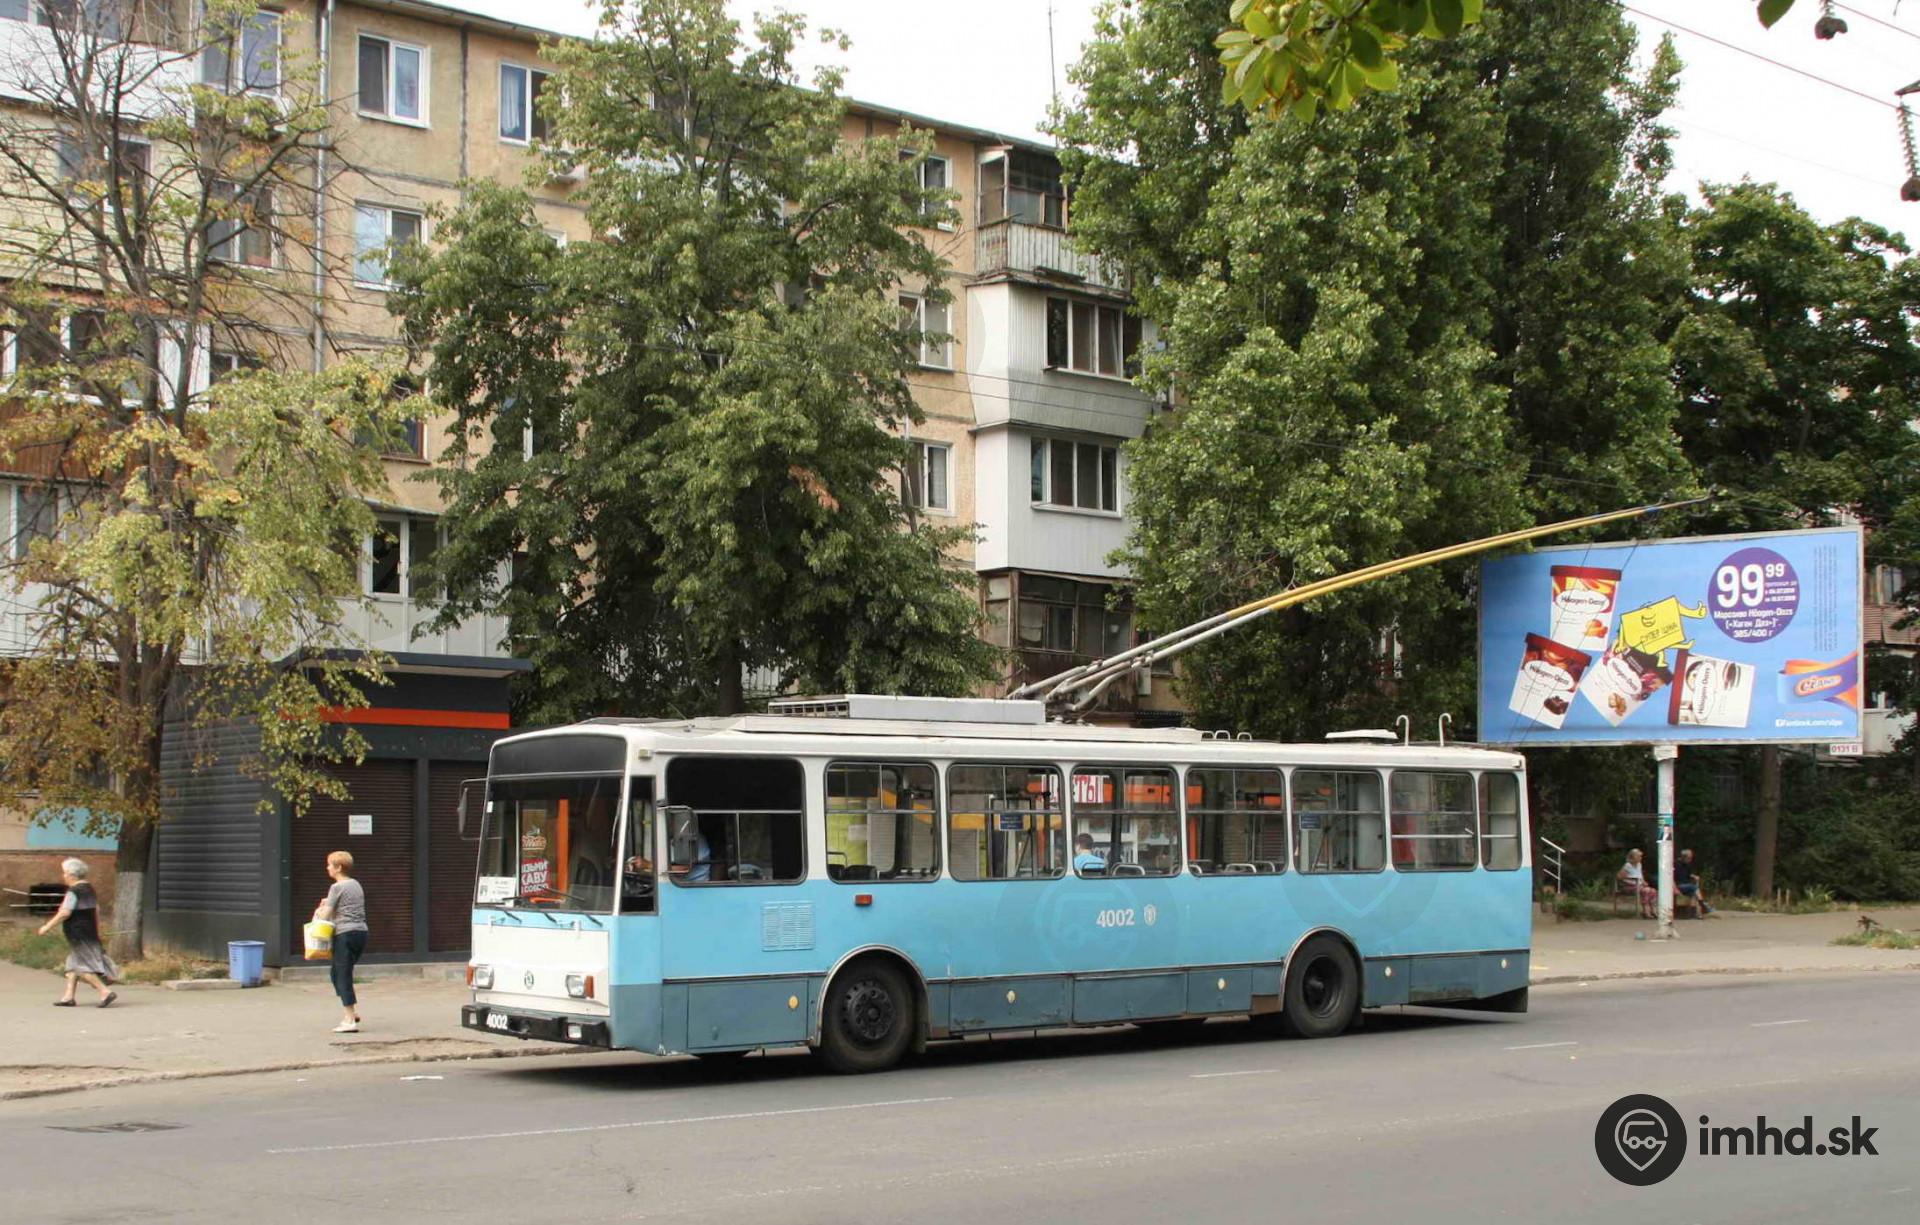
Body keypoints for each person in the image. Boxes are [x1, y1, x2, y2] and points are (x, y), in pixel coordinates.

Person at [37, 858, 116, 1008]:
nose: (64, 876)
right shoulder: (89, 889)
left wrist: (47, 927)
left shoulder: (73, 892)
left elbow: (65, 913)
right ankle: (68, 997)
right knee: (72, 965)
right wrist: (97, 929)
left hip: (78, 934)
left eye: (65, 873)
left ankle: (105, 992)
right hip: (88, 932)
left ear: (72, 875)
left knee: (82, 966)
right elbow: (96, 910)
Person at [313, 851, 369, 1033]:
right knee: (336, 973)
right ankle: (352, 1011)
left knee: (342, 975)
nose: (327, 868)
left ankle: (349, 1019)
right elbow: (348, 904)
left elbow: (325, 916)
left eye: (330, 865)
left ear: (339, 868)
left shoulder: (336, 887)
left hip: (344, 934)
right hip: (360, 933)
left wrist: (320, 909)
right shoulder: (355, 884)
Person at [1617, 848, 1657, 919]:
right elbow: (1619, 876)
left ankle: (1653, 911)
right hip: (1629, 886)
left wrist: (1643, 881)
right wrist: (1631, 880)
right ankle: (1645, 912)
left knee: (1653, 891)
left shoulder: (1639, 865)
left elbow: (1640, 875)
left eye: (1640, 856)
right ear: (1633, 857)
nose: (1640, 858)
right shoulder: (1627, 865)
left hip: (1639, 885)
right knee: (1646, 891)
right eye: (1638, 856)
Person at [1674, 848, 1714, 917]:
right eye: (1689, 858)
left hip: (1686, 885)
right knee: (1694, 888)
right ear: (1684, 857)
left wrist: (1694, 876)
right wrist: (1675, 888)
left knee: (1694, 892)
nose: (1690, 860)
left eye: (1691, 858)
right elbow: (1672, 877)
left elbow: (1689, 874)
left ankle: (1693, 912)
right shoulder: (1676, 864)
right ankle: (1703, 906)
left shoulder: (1687, 865)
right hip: (1679, 885)